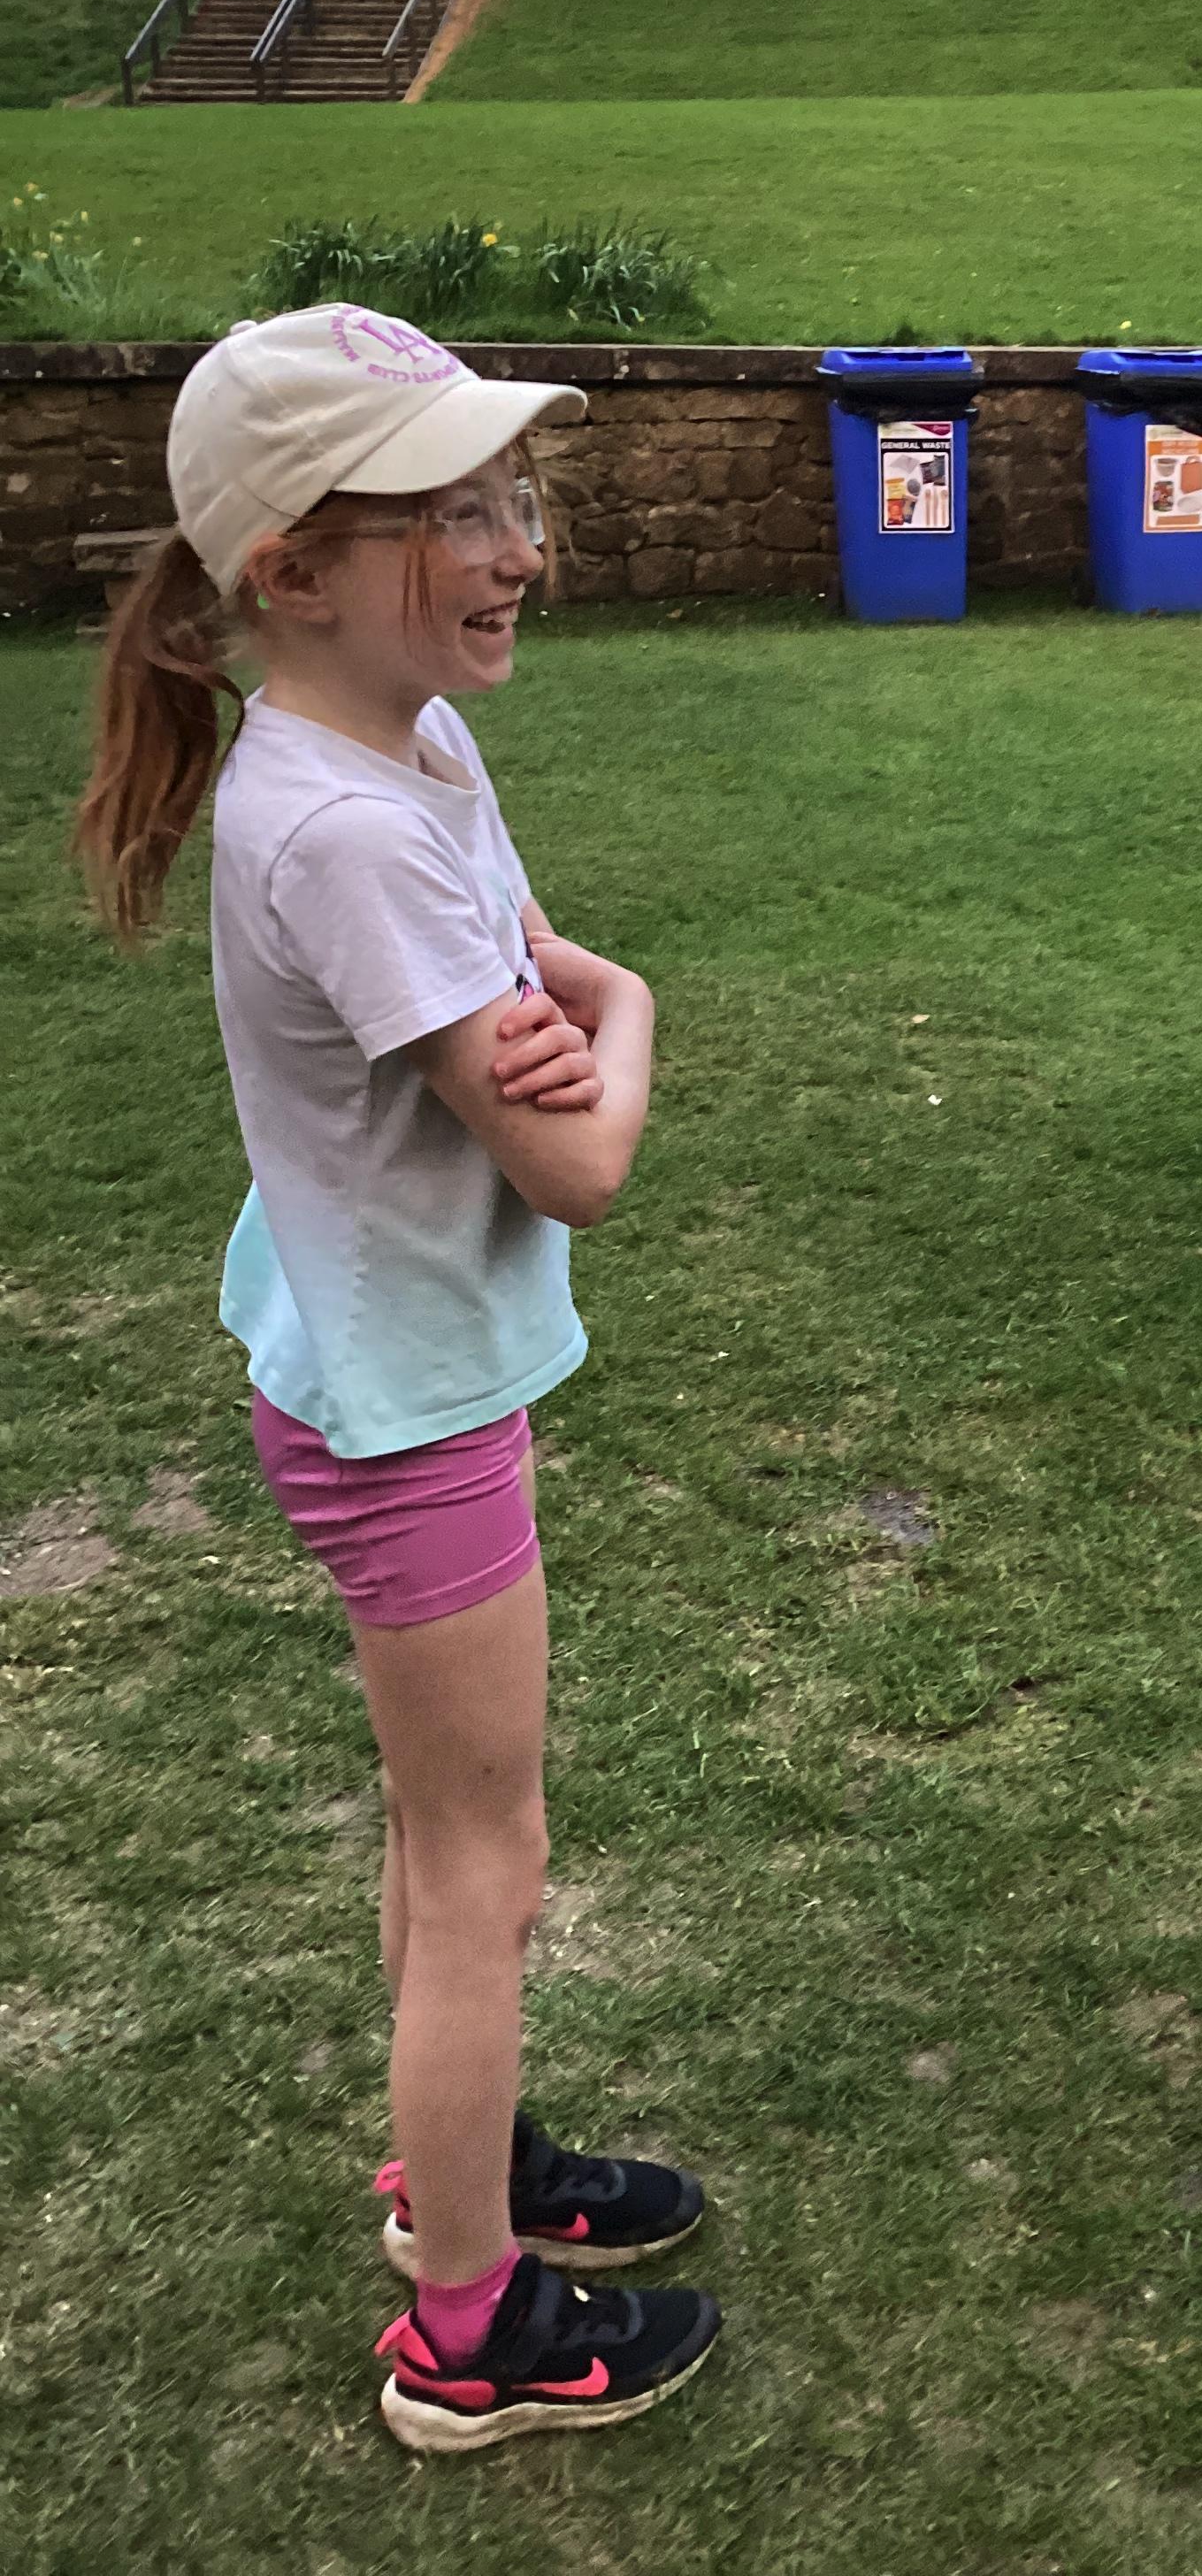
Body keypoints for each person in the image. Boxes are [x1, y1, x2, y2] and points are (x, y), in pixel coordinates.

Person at [73, 306, 722, 2448]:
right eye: (453, 512)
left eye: (512, 496)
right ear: (294, 571)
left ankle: (470, 2164)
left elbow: (526, 971)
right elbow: (579, 1149)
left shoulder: (417, 746)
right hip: (404, 1408)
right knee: (486, 1866)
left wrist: (572, 1006)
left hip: (397, 1364)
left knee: (451, 1839)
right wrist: (637, 1006)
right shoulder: (338, 831)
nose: (520, 545)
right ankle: (468, 2326)